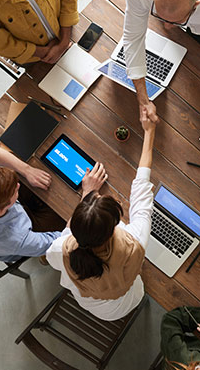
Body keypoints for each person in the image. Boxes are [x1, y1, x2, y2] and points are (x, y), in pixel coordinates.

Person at [46, 109, 156, 320]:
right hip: (127, 300)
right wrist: (150, 132)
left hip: (96, 308)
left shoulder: (61, 249)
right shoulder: (134, 242)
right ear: (113, 228)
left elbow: (64, 238)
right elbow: (142, 190)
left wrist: (86, 193)